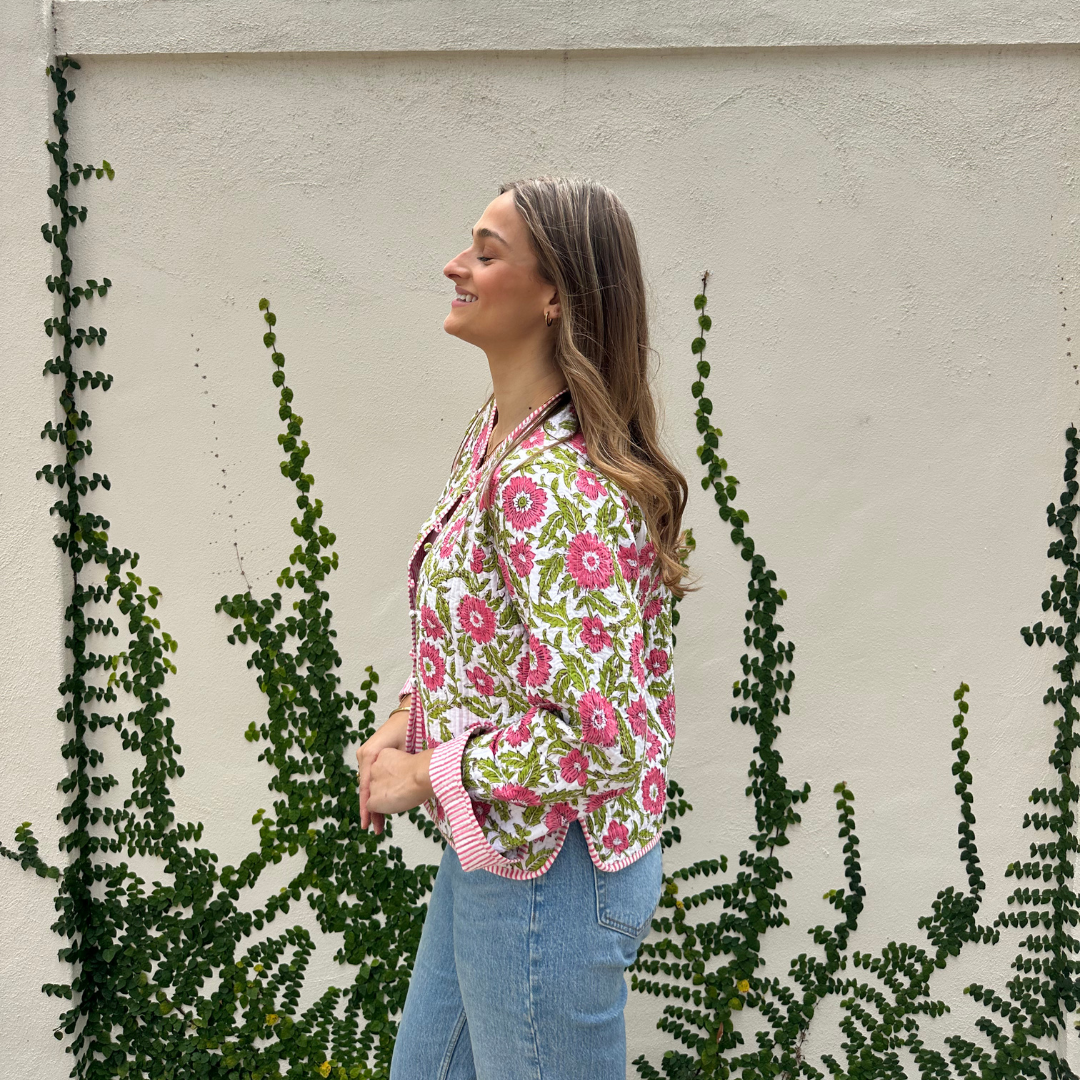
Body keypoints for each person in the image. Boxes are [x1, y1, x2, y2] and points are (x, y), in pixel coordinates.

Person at [356, 176, 697, 1079]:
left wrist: (427, 773)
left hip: (554, 881)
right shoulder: (497, 439)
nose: (455, 265)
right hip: (503, 854)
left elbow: (604, 737)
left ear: (556, 296)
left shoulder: (549, 481)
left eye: (487, 250)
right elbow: (487, 641)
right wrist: (411, 713)